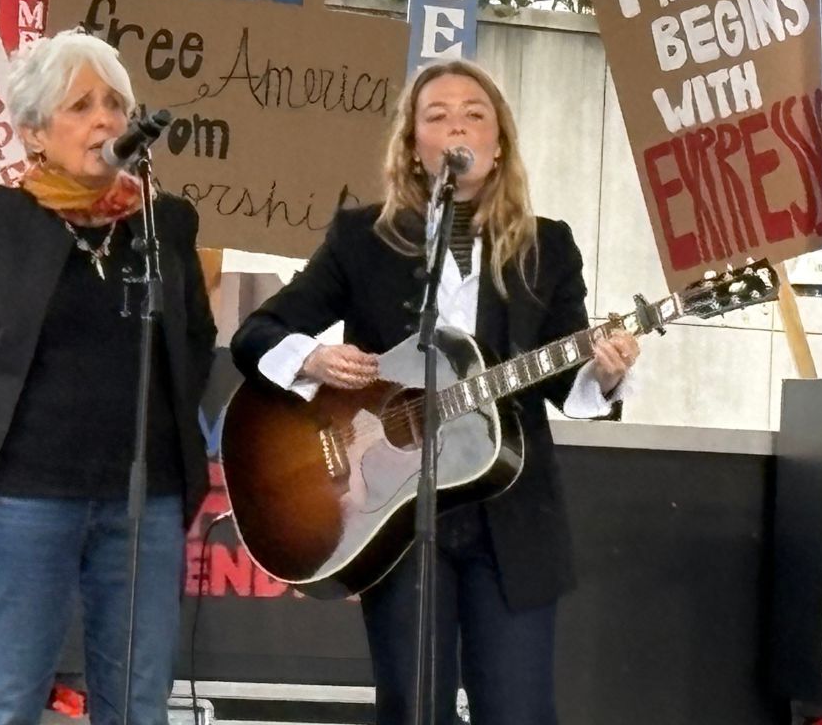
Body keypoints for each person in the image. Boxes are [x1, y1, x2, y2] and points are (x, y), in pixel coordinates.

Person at [230, 59, 640, 725]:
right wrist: (316, 358)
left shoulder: (548, 248)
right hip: (397, 517)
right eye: (438, 114)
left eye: (475, 113)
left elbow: (568, 380)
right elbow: (258, 333)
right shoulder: (361, 240)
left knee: (519, 712)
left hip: (512, 519)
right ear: (414, 146)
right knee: (412, 710)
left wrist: (608, 370)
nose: (458, 124)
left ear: (499, 141)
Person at [0, 31, 215, 725]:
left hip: (142, 500)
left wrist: (171, 431)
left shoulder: (165, 223)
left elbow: (195, 335)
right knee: (7, 701)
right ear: (34, 131)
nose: (106, 121)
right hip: (23, 499)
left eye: (116, 105)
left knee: (137, 704)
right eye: (81, 106)